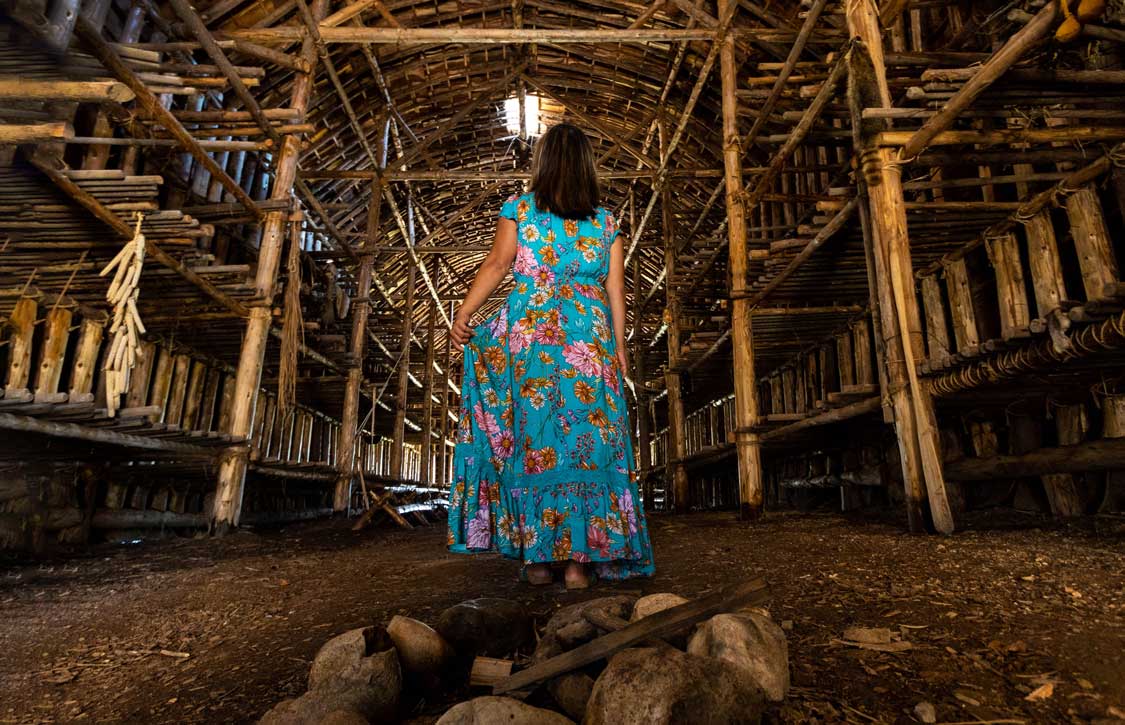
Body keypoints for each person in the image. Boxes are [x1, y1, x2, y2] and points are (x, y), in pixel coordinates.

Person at [446, 123, 655, 588]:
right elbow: (615, 291)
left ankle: (537, 559)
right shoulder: (606, 223)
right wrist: (619, 349)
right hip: (590, 341)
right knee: (588, 443)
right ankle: (580, 563)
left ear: (542, 163)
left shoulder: (519, 210)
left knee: (532, 441)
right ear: (587, 167)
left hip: (531, 340)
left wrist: (464, 313)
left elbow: (498, 265)